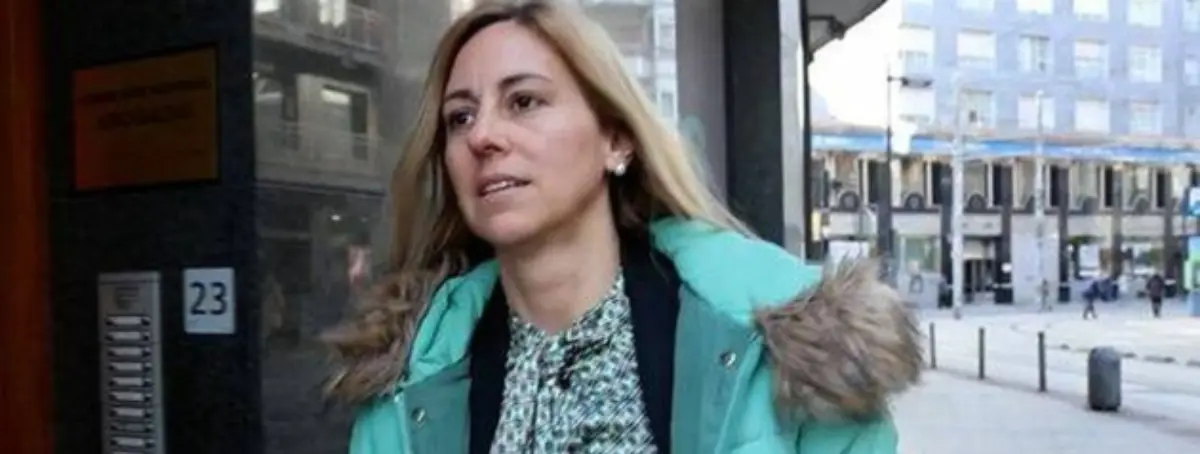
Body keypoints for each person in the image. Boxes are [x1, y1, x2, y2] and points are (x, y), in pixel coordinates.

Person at [322, 1, 921, 453]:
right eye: (460, 117)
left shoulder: (788, 347)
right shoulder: (409, 380)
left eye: (524, 101)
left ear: (616, 140)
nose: (482, 135)